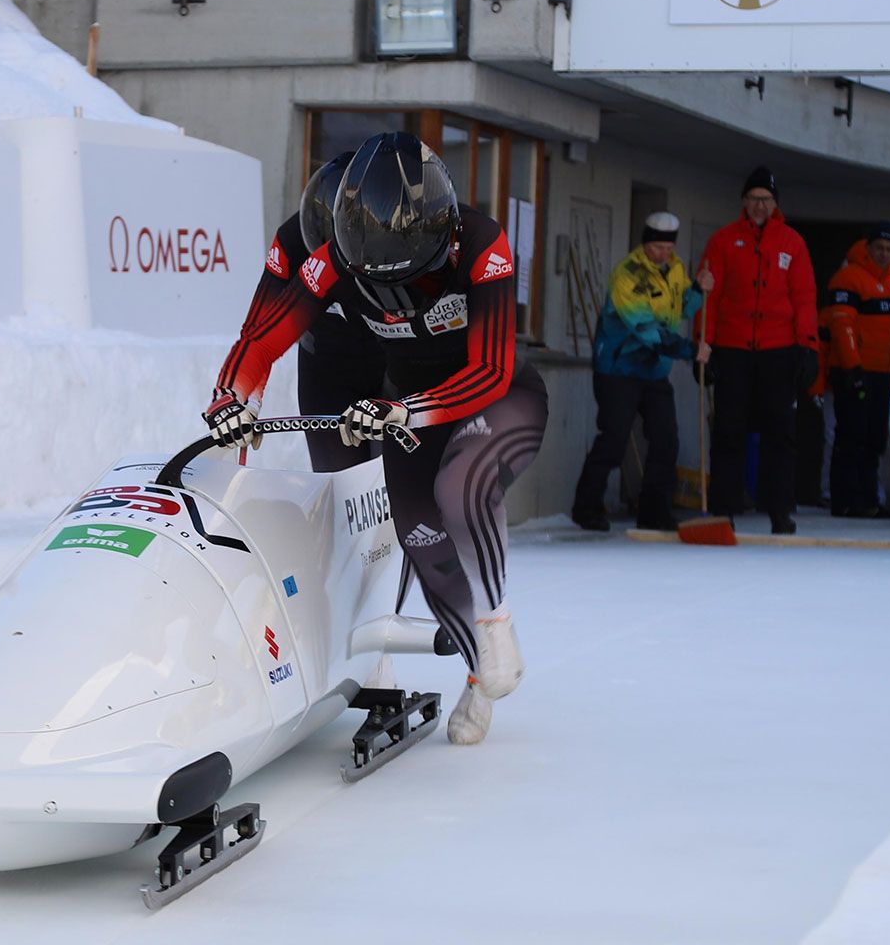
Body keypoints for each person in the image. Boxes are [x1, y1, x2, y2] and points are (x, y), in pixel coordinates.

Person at [204, 132, 547, 746]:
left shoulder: (484, 244)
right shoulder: (321, 255)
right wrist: (234, 394)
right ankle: (465, 668)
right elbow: (263, 334)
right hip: (391, 387)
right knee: (415, 529)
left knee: (460, 484)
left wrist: (405, 409)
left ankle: (495, 621)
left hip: (482, 394)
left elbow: (492, 369)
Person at [214, 152, 387, 472]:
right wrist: (243, 401)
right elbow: (260, 332)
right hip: (327, 372)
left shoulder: (387, 242)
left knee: (396, 484)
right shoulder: (291, 242)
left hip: (391, 371)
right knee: (339, 485)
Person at [695, 166, 820, 534]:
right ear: (743, 202)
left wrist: (808, 346)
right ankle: (724, 508)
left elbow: (805, 298)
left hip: (778, 351)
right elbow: (708, 297)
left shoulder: (793, 243)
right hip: (732, 350)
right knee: (728, 431)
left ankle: (779, 509)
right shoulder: (722, 241)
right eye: (753, 199)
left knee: (780, 434)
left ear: (775, 203)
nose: (759, 206)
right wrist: (703, 347)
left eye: (765, 199)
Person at [569, 212, 704, 532]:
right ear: (645, 244)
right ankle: (586, 507)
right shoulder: (628, 275)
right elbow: (647, 331)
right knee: (614, 438)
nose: (662, 254)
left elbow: (683, 306)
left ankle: (655, 511)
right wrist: (690, 350)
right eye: (656, 248)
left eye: (668, 249)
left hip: (655, 371)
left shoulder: (675, 269)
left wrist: (698, 288)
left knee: (666, 440)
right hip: (619, 368)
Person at [821, 221, 890, 518]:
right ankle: (845, 500)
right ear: (868, 248)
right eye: (879, 248)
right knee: (850, 437)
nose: (884, 254)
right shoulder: (848, 279)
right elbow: (841, 324)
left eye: (889, 249)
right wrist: (853, 367)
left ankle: (870, 500)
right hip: (854, 373)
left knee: (874, 439)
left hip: (882, 375)